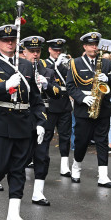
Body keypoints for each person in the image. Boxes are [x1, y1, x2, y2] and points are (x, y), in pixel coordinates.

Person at [0, 24, 45, 220]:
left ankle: (13, 214)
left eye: (12, 40)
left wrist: (40, 121)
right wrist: (5, 86)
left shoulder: (25, 66)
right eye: (5, 40)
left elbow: (35, 98)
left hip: (22, 123)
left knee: (18, 169)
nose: (9, 43)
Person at [66, 32, 111, 187]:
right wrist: (82, 98)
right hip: (84, 108)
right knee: (81, 141)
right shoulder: (75, 63)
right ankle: (76, 167)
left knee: (102, 142)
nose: (94, 47)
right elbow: (70, 86)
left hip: (102, 107)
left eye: (96, 45)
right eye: (91, 45)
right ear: (84, 46)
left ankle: (103, 176)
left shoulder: (106, 63)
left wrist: (108, 80)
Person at [20, 36, 59, 206]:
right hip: (22, 115)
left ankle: (38, 192)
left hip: (42, 115)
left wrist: (46, 85)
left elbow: (57, 93)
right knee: (19, 154)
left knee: (42, 155)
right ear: (24, 52)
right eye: (31, 51)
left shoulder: (47, 70)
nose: (35, 55)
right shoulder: (17, 68)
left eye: (37, 51)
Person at [44, 38, 74, 177]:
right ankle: (40, 159)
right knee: (47, 135)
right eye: (55, 50)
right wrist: (56, 64)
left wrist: (68, 65)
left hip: (64, 102)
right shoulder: (44, 63)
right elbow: (44, 75)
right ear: (49, 49)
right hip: (50, 102)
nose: (58, 52)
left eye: (59, 50)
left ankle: (64, 166)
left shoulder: (65, 63)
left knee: (65, 135)